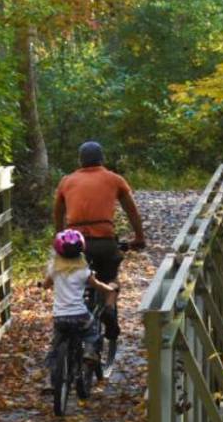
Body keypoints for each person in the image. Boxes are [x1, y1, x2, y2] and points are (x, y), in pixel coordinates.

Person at [52, 141, 146, 358]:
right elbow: (133, 212)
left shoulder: (66, 181)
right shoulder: (114, 179)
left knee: (74, 281)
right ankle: (110, 309)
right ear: (102, 159)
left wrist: (60, 237)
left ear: (80, 161)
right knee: (110, 277)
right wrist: (139, 237)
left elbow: (57, 213)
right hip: (104, 242)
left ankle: (75, 326)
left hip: (74, 244)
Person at [42, 229, 114, 364]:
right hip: (80, 316)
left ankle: (50, 377)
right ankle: (89, 351)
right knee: (91, 331)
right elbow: (98, 285)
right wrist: (110, 288)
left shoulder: (54, 270)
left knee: (55, 346)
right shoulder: (84, 272)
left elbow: (46, 285)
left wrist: (41, 285)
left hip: (60, 317)